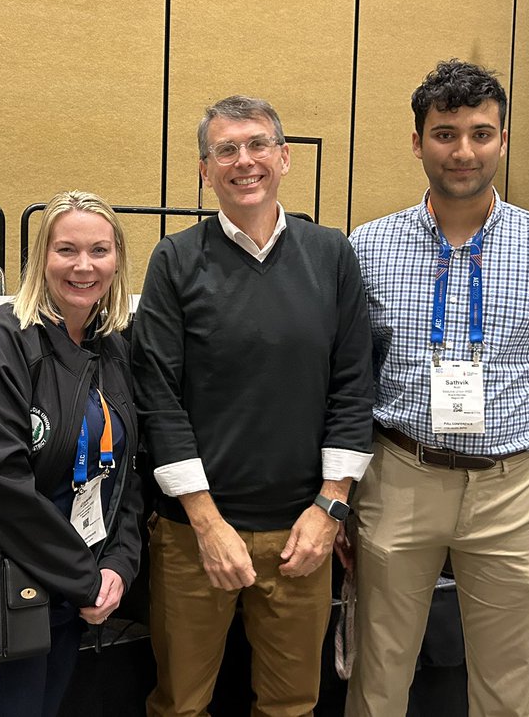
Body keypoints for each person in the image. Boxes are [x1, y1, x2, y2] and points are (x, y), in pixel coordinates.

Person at [346, 60, 529, 716]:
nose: (463, 151)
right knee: (378, 675)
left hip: (512, 490)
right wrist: (337, 496)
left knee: (506, 686)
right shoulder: (365, 248)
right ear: (417, 142)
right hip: (397, 476)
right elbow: (345, 385)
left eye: (480, 132)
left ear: (503, 138)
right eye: (444, 133)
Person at [132, 95, 376, 716]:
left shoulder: (332, 255)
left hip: (303, 531)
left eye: (258, 145)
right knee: (181, 704)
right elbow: (158, 397)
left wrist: (331, 509)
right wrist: (207, 523)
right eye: (226, 150)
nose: (245, 161)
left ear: (285, 157)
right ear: (204, 169)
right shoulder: (175, 259)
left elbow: (353, 385)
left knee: (292, 705)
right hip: (195, 535)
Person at [0, 190, 142, 717]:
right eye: (66, 249)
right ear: (40, 257)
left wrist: (119, 561)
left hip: (70, 594)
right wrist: (87, 578)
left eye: (100, 250)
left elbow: (128, 470)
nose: (84, 266)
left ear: (118, 260)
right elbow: (0, 487)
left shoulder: (111, 345)